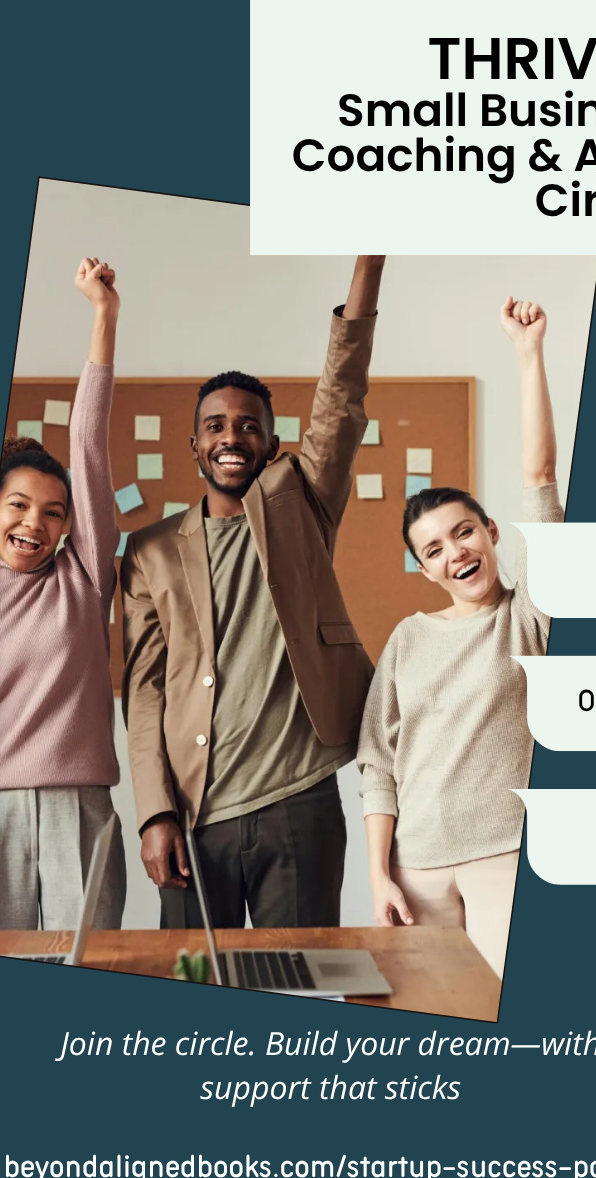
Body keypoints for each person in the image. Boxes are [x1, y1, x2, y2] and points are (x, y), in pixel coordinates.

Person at [122, 255, 385, 929]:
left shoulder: (303, 503)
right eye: (216, 426)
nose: (231, 436)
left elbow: (342, 397)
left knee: (295, 987)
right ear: (194, 446)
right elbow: (146, 691)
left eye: (247, 426)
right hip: (191, 813)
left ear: (270, 444)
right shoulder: (150, 552)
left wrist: (368, 265)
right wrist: (152, 812)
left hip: (299, 803)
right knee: (190, 991)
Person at [358, 297, 564, 978]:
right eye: (435, 549)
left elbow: (539, 478)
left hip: (507, 856)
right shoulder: (407, 640)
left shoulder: (529, 615)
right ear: (424, 569)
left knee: (508, 1016)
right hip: (415, 868)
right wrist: (379, 873)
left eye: (465, 532)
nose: (456, 553)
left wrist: (527, 352)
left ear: (492, 533)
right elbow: (379, 765)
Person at [0, 258, 125, 930]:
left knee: (92, 974)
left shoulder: (85, 575)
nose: (33, 524)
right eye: (17, 505)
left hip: (81, 806)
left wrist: (103, 315)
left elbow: (88, 445)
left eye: (52, 512)